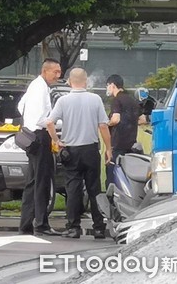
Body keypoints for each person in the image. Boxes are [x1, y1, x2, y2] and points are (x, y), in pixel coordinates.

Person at [45, 68, 112, 239]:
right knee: (94, 189)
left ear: (69, 81)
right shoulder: (95, 99)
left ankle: (73, 227)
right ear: (86, 81)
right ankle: (98, 227)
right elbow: (103, 126)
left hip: (71, 150)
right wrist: (109, 149)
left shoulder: (63, 101)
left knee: (73, 189)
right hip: (91, 149)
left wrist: (56, 140)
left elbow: (50, 123)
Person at [17, 58, 62, 236]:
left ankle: (26, 223)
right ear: (45, 71)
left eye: (59, 72)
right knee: (42, 182)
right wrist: (55, 136)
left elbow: (21, 106)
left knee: (33, 182)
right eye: (55, 72)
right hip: (39, 136)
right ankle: (41, 223)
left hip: (30, 135)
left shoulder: (35, 85)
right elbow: (43, 120)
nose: (58, 76)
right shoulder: (41, 88)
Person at [105, 74, 142, 187]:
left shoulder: (117, 100)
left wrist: (106, 123)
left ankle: (111, 197)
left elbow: (116, 119)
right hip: (131, 143)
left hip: (117, 143)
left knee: (112, 172)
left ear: (112, 85)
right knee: (127, 174)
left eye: (107, 86)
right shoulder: (132, 99)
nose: (107, 88)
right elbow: (141, 119)